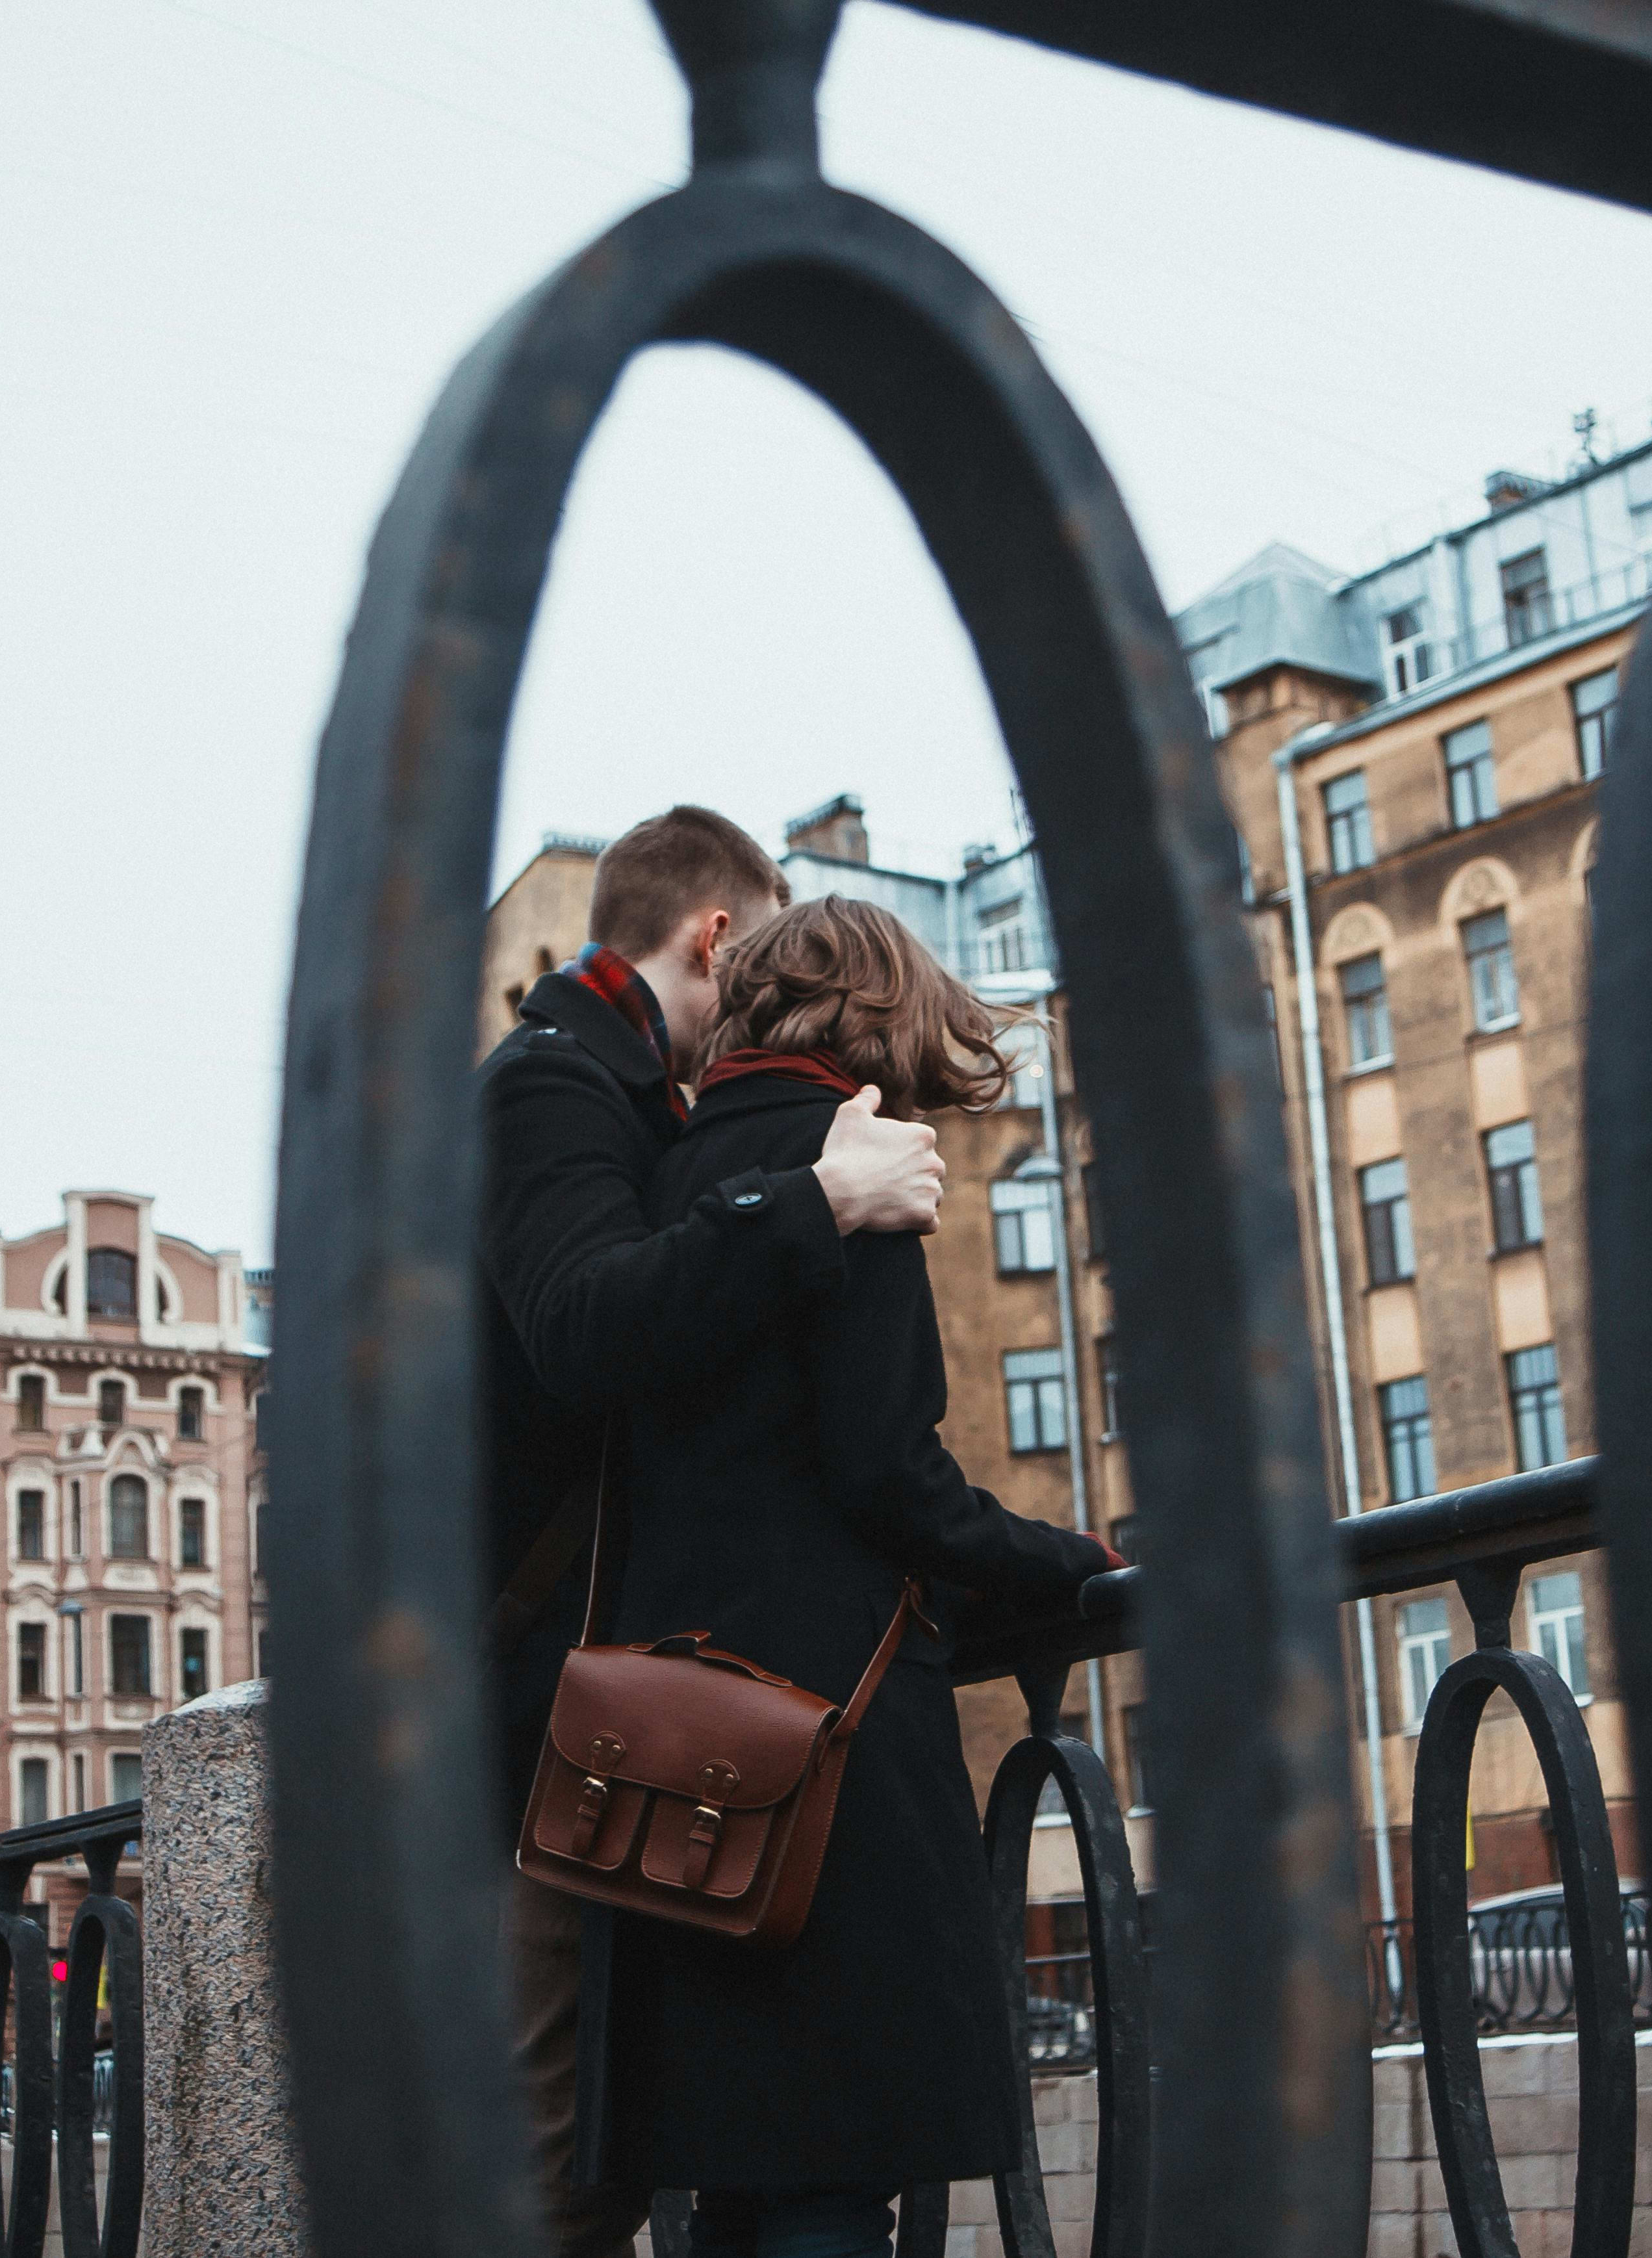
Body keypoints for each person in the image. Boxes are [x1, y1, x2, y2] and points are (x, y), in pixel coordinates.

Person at [596, 897, 1119, 2258]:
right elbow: (887, 1471)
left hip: (668, 1734)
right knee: (834, 2169)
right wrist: (1071, 1561)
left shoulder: (672, 1169)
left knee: (740, 2175)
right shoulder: (854, 1159)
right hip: (826, 1741)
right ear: (886, 1010)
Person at [476, 808, 948, 2258]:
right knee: (558, 2160)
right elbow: (584, 1326)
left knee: (625, 2152)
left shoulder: (629, 1095)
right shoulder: (551, 1081)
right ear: (718, 936)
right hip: (546, 1708)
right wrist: (821, 1197)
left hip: (616, 1696)